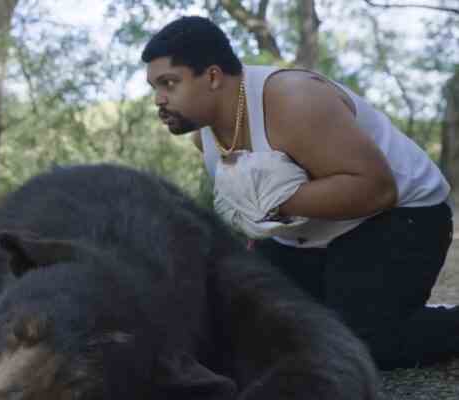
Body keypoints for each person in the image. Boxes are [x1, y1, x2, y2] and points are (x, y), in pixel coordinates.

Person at [141, 15, 458, 370]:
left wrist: (274, 201)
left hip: (400, 216)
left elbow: (377, 189)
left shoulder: (293, 100)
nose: (159, 99)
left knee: (362, 342)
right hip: (305, 236)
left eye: (169, 83)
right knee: (248, 329)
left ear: (213, 76)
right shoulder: (205, 136)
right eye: (155, 87)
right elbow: (258, 211)